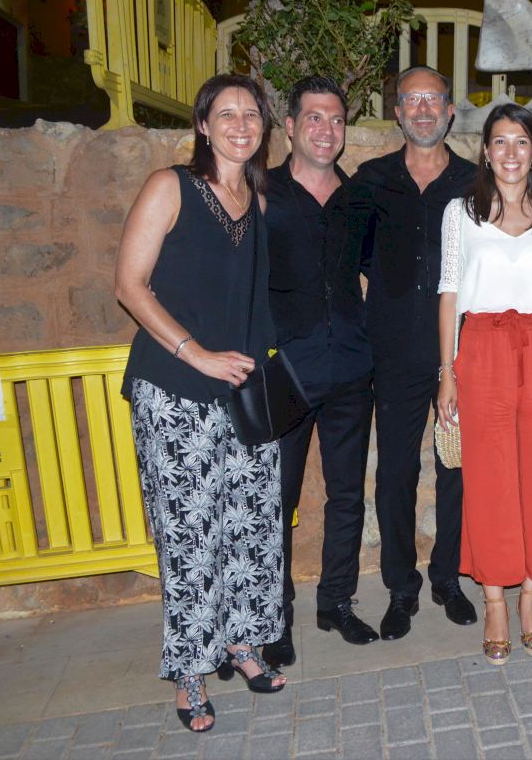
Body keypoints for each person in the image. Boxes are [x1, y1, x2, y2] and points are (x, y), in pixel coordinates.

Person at [116, 75, 287, 733]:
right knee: (190, 535)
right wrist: (199, 355)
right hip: (175, 389)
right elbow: (130, 286)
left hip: (242, 392)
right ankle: (190, 670)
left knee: (249, 525)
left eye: (252, 114)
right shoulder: (171, 187)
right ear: (203, 125)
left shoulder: (258, 200)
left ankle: (242, 644)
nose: (241, 124)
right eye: (227, 113)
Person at [436, 103, 532, 664]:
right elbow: (449, 293)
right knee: (490, 477)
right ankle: (495, 598)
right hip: (482, 349)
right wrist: (447, 372)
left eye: (521, 141)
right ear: (486, 151)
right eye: (500, 141)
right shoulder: (460, 213)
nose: (511, 153)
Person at [354, 67, 477, 640]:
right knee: (396, 473)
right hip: (395, 348)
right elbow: (353, 256)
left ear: (450, 110)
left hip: (461, 350)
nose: (424, 110)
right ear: (398, 112)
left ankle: (448, 577)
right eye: (412, 100)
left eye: (434, 100)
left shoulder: (476, 181)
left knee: (457, 468)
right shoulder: (371, 179)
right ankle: (401, 587)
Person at [262, 76, 377, 668]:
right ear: (290, 126)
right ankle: (273, 619)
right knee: (276, 500)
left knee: (347, 495)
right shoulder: (261, 192)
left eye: (335, 119)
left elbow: (382, 269)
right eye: (314, 117)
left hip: (351, 367)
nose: (326, 130)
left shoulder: (358, 198)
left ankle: (335, 602)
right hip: (285, 371)